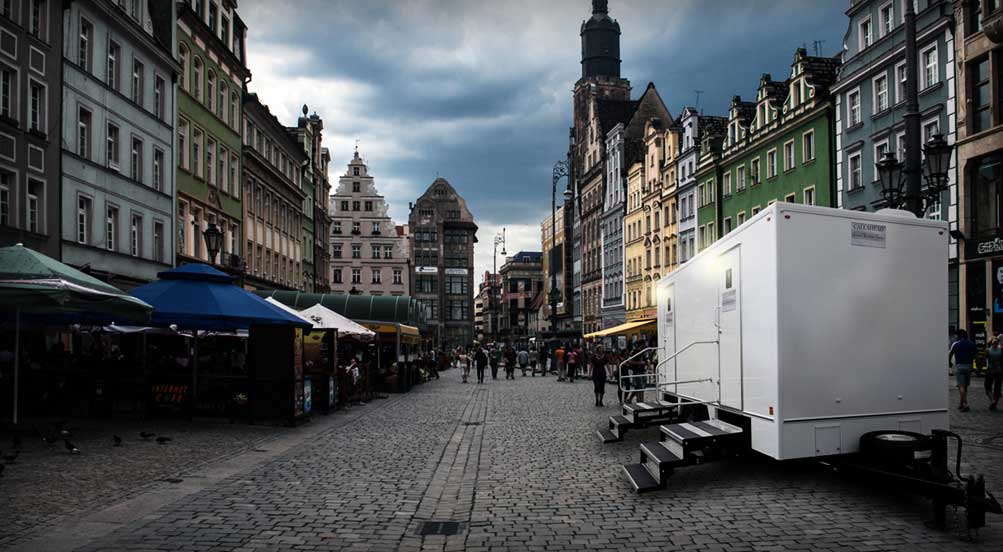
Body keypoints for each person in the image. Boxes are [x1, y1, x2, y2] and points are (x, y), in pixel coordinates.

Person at [949, 329, 977, 412]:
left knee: (961, 386)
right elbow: (976, 356)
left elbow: (950, 354)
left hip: (959, 366)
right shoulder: (972, 344)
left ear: (960, 336)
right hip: (969, 366)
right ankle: (961, 404)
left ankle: (965, 404)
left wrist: (949, 362)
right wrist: (977, 366)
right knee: (965, 387)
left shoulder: (956, 345)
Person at [986, 336, 1002, 411]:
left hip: (990, 370)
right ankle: (995, 404)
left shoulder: (988, 350)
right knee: (997, 388)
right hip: (999, 371)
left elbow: (983, 360)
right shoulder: (1001, 351)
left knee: (988, 387)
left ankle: (992, 400)